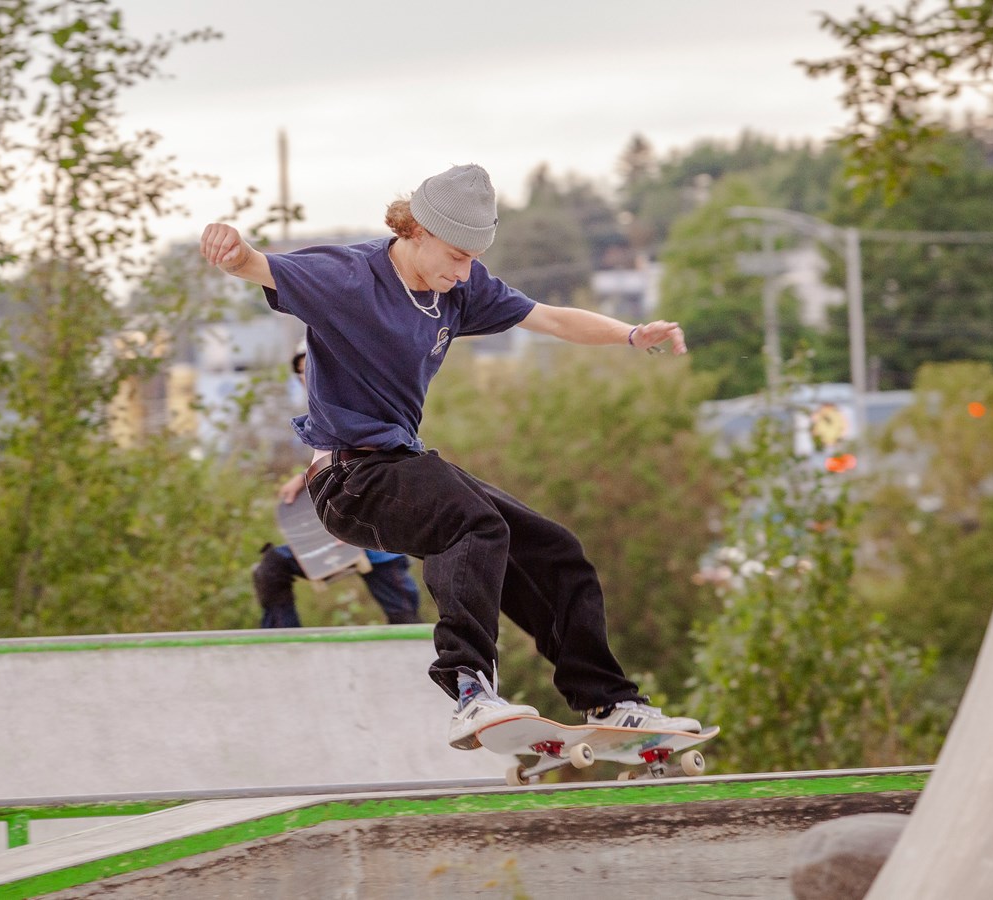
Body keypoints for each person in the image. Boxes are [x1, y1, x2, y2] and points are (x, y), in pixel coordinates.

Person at [200, 163, 699, 750]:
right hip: (348, 480)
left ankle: (607, 700)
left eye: (471, 261)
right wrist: (232, 249)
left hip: (401, 464)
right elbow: (258, 265)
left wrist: (633, 334)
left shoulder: (462, 289)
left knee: (552, 548)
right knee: (472, 523)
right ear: (416, 230)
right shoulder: (349, 277)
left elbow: (552, 319)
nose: (462, 273)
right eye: (455, 256)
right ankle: (469, 689)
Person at [255, 346, 422, 629]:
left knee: (405, 619)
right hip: (334, 538)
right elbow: (335, 461)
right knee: (271, 568)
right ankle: (284, 649)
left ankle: (421, 657)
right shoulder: (317, 417)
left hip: (377, 537)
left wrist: (354, 518)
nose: (306, 377)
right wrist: (306, 476)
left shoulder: (365, 402)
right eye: (301, 372)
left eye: (311, 368)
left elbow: (380, 461)